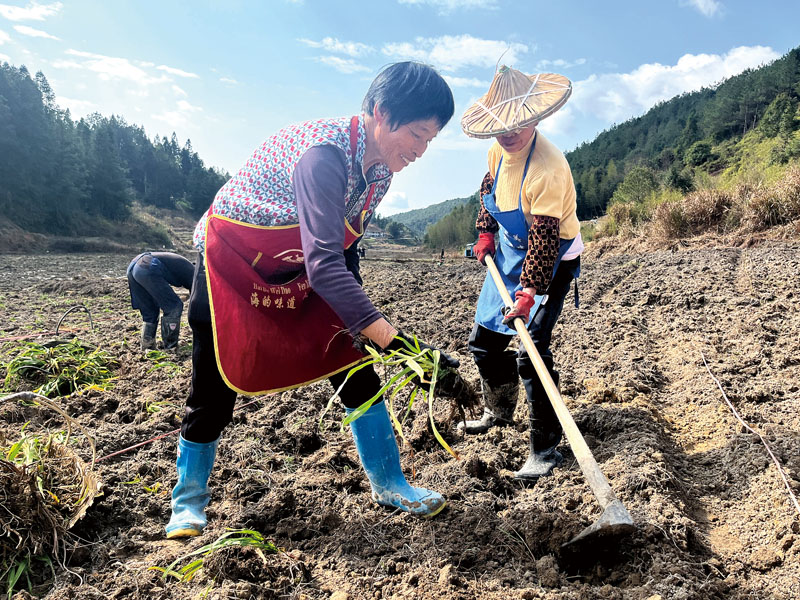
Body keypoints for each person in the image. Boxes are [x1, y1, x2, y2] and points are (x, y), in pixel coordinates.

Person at [165, 62, 458, 539]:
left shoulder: (379, 174)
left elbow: (343, 250)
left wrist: (360, 328)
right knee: (215, 383)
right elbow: (325, 264)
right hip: (231, 264)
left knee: (352, 362)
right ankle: (188, 503)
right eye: (417, 135)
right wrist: (394, 340)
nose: (421, 151)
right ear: (382, 113)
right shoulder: (324, 155)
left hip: (297, 264)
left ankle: (391, 483)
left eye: (430, 141)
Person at [458, 66, 584, 481]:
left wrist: (529, 295)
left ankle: (545, 449)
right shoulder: (497, 152)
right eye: (502, 125)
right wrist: (484, 232)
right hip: (512, 253)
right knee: (484, 344)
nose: (510, 132)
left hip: (552, 260)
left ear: (535, 115)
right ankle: (497, 410)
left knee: (531, 353)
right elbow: (488, 189)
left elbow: (546, 242)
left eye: (519, 122)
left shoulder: (548, 168)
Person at [126, 252, 194, 351]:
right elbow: (196, 298)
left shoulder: (185, 266)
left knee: (150, 311)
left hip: (134, 267)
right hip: (148, 266)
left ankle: (147, 346)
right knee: (174, 306)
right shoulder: (195, 275)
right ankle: (171, 347)